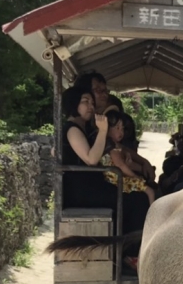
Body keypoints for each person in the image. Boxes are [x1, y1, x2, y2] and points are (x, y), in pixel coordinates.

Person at [59, 86, 149, 236]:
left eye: (92, 102)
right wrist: (103, 130)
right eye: (85, 101)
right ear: (73, 103)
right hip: (82, 191)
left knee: (136, 196)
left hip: (92, 186)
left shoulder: (82, 128)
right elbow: (91, 159)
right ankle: (131, 247)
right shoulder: (72, 129)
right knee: (138, 200)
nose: (91, 106)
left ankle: (125, 244)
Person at [101, 109, 156, 205]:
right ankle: (152, 213)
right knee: (150, 191)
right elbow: (120, 165)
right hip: (117, 180)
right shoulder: (111, 146)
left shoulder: (116, 145)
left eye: (122, 128)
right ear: (107, 128)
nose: (121, 132)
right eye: (117, 128)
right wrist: (134, 176)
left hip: (117, 178)